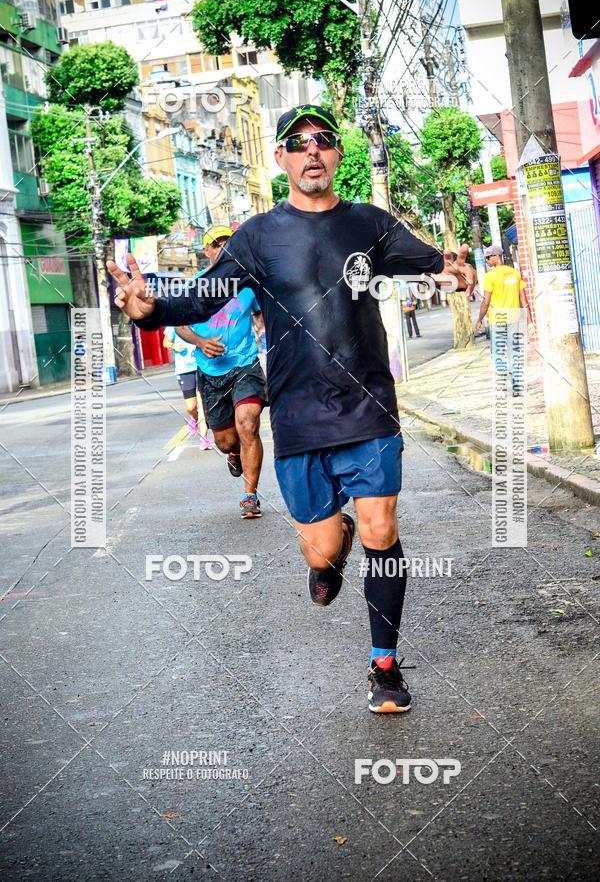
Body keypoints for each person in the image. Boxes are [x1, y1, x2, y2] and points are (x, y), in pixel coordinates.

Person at [108, 104, 476, 713]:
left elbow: (431, 261)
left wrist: (453, 271)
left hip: (368, 404)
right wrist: (151, 309)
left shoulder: (369, 225)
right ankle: (337, 543)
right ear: (280, 158)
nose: (312, 151)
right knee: (323, 552)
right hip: (300, 415)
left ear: (335, 154)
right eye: (297, 143)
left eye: (324, 141)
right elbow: (202, 301)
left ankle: (383, 667)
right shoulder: (257, 236)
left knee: (384, 528)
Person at [175, 226, 268, 520]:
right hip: (210, 372)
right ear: (207, 251)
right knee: (227, 440)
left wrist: (264, 328)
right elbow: (180, 324)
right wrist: (200, 342)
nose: (223, 249)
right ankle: (232, 452)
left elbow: (262, 310)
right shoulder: (196, 285)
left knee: (248, 423)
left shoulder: (247, 285)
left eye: (228, 244)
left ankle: (250, 496)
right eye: (216, 245)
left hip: (244, 365)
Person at [475, 244, 533, 393]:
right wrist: (530, 321)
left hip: (498, 320)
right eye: (486, 258)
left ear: (497, 257)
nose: (487, 260)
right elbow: (524, 300)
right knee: (514, 351)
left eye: (489, 257)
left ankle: (506, 380)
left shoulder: (490, 276)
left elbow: (486, 302)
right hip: (514, 318)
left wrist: (480, 319)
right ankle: (517, 383)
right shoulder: (515, 273)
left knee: (498, 353)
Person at [162, 325, 213, 450]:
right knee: (191, 407)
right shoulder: (173, 325)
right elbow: (166, 342)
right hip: (184, 369)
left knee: (202, 405)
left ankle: (204, 439)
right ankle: (193, 418)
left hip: (202, 367)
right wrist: (175, 346)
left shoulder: (199, 321)